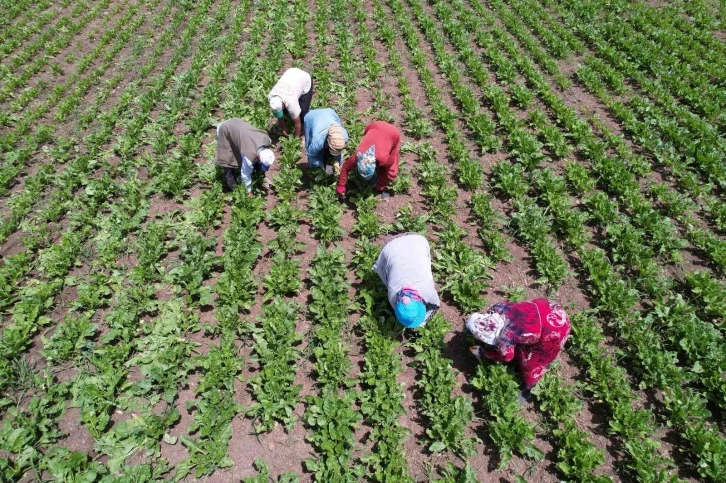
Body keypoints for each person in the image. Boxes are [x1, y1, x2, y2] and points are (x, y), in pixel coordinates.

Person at [466, 299, 571, 398]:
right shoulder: (498, 308)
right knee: (522, 338)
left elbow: (506, 356)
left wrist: (485, 352)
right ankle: (528, 340)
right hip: (548, 308)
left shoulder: (505, 339)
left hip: (554, 332)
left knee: (532, 364)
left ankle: (528, 387)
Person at [373, 233, 440, 329]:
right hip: (393, 246)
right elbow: (434, 306)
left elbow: (435, 306)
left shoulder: (427, 290)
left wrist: (422, 323)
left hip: (417, 241)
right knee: (387, 274)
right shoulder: (392, 293)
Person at [336, 121, 401, 199]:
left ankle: (382, 187)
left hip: (392, 133)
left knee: (390, 168)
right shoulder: (357, 156)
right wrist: (341, 185)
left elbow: (391, 162)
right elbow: (345, 167)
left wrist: (387, 176)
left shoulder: (383, 159)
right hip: (372, 126)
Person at [215, 118, 275, 195]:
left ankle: (261, 178)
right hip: (224, 130)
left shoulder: (267, 140)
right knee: (227, 163)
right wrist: (248, 193)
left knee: (241, 151)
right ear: (259, 157)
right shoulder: (249, 156)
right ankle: (234, 192)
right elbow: (245, 175)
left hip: (236, 122)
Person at [268, 68, 313, 138]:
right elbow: (278, 113)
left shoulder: (290, 102)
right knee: (286, 112)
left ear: (283, 103)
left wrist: (295, 140)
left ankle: (304, 135)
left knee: (303, 114)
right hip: (291, 74)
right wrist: (283, 127)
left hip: (304, 80)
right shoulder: (271, 96)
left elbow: (297, 123)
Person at [304, 108, 348, 174]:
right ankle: (313, 171)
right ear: (327, 142)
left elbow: (339, 150)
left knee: (337, 156)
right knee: (314, 152)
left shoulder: (344, 136)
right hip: (311, 117)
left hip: (330, 113)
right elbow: (311, 156)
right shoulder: (317, 141)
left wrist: (337, 162)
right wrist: (323, 166)